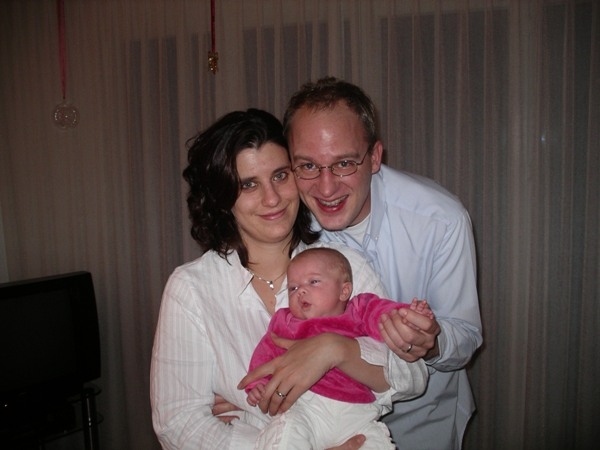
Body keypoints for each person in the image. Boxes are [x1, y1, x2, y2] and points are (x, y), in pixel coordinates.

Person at [150, 108, 427, 450]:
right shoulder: (192, 289)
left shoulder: (344, 265)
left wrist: (337, 350)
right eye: (248, 184)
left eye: (280, 176)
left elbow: (412, 378)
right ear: (222, 198)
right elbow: (178, 423)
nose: (272, 198)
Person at [273, 77, 483, 450]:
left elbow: (465, 336)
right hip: (319, 422)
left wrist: (431, 342)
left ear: (374, 157)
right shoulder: (283, 222)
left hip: (423, 423)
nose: (326, 188)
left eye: (344, 163)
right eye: (308, 165)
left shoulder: (440, 220)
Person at [245, 247, 432, 450]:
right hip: (306, 408)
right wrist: (259, 385)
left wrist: (406, 319)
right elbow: (266, 354)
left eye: (313, 282)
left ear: (344, 291)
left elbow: (383, 316)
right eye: (293, 288)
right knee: (285, 436)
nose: (301, 291)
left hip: (357, 412)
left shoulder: (358, 310)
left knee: (375, 442)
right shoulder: (286, 322)